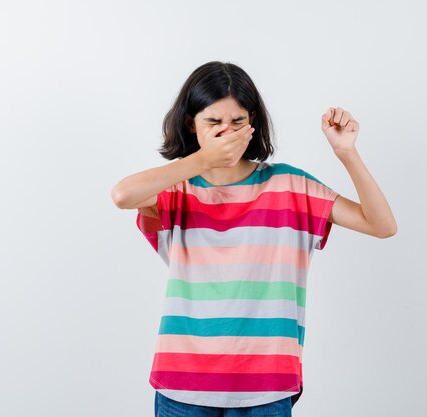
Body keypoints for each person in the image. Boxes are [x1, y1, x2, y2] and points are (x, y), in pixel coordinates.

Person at [110, 61, 397, 417]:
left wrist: (346, 153)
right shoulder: (175, 190)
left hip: (266, 385)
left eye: (237, 122)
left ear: (252, 124)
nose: (226, 133)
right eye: (213, 122)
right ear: (191, 124)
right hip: (183, 384)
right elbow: (123, 195)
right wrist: (203, 160)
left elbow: (381, 224)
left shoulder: (290, 185)